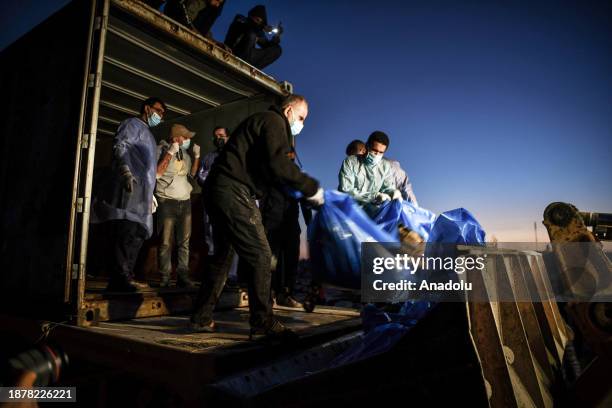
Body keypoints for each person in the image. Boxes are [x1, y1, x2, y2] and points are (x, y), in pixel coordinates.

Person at [190, 94, 324, 339]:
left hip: (219, 190)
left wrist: (297, 189)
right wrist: (312, 188)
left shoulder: (262, 123)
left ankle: (201, 317)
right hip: (233, 189)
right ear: (289, 111)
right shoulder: (274, 122)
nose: (301, 124)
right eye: (301, 117)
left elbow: (273, 172)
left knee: (222, 257)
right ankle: (262, 324)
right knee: (261, 255)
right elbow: (279, 165)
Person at [91, 97, 166, 292]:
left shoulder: (149, 135)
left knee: (137, 234)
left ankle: (127, 275)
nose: (160, 115)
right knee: (127, 232)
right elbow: (121, 145)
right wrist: (125, 170)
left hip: (142, 191)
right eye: (158, 110)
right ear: (147, 108)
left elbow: (150, 169)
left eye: (163, 114)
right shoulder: (133, 124)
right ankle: (119, 278)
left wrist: (151, 193)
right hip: (130, 185)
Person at [155, 123, 200, 288]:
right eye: (185, 137)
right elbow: (157, 173)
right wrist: (170, 153)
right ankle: (165, 277)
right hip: (167, 201)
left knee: (184, 242)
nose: (188, 140)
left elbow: (192, 175)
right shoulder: (160, 150)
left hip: (185, 201)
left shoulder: (186, 155)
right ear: (176, 137)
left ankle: (182, 276)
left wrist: (196, 157)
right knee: (166, 241)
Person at [338, 131, 402, 216]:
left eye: (381, 152)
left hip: (372, 214)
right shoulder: (350, 162)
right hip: (350, 212)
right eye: (374, 150)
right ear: (367, 146)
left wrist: (393, 192)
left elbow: (387, 187)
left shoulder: (385, 166)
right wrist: (373, 196)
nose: (377, 154)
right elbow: (346, 190)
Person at [344, 139, 418, 205]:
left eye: (354, 156)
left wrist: (414, 212)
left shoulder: (390, 167)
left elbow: (406, 189)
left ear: (363, 151)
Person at [224, 5, 282, 69]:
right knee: (252, 34)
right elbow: (249, 26)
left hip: (249, 56)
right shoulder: (241, 19)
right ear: (251, 16)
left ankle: (252, 68)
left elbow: (267, 45)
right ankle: (242, 61)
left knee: (277, 50)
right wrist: (262, 27)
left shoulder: (258, 30)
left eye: (260, 22)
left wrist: (277, 36)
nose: (258, 23)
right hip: (235, 51)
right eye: (257, 19)